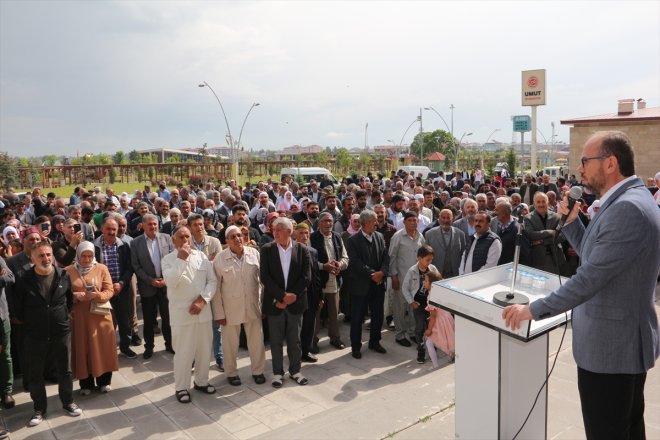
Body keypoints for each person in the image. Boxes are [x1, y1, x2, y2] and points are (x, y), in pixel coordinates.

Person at [503, 131, 660, 440]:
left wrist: (532, 309)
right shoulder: (630, 200)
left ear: (611, 163)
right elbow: (598, 259)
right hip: (620, 344)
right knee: (627, 429)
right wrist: (574, 222)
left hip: (611, 349)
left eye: (587, 161)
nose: (581, 168)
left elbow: (589, 278)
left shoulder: (626, 209)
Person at [15, 242, 82, 426]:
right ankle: (39, 409)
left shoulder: (63, 275)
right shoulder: (23, 278)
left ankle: (68, 402)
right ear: (32, 258)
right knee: (36, 374)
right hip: (35, 334)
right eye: (41, 256)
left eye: (48, 254)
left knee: (65, 371)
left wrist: (60, 318)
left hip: (60, 331)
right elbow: (18, 309)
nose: (45, 258)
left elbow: (68, 301)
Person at [161, 225, 217, 403]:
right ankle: (182, 387)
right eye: (181, 237)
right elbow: (170, 281)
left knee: (204, 351)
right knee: (184, 353)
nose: (185, 240)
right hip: (182, 316)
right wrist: (181, 260)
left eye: (187, 237)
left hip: (203, 313)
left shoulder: (201, 257)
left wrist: (203, 300)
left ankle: (201, 381)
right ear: (173, 241)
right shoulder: (168, 260)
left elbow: (212, 281)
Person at [260, 217, 311, 388]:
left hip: (295, 303)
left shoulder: (302, 249)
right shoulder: (267, 249)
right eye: (274, 229)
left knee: (294, 339)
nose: (275, 232)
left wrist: (291, 296)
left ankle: (295, 370)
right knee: (275, 341)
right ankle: (277, 373)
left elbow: (306, 277)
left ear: (290, 232)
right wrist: (281, 297)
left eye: (279, 229)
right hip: (275, 303)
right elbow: (265, 277)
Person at [212, 226, 266, 386]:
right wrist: (219, 314)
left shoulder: (254, 253)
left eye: (240, 235)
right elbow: (216, 289)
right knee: (230, 344)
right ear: (227, 241)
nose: (237, 238)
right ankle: (231, 373)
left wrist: (262, 305)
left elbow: (262, 281)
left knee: (257, 342)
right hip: (230, 309)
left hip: (252, 305)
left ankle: (258, 371)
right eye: (233, 236)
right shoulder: (220, 259)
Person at [66, 241, 119, 395]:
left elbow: (109, 290)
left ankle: (104, 382)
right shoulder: (68, 271)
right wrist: (76, 296)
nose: (87, 259)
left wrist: (98, 295)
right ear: (78, 255)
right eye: (84, 256)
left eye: (90, 256)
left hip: (100, 316)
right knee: (84, 348)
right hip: (80, 318)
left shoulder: (101, 268)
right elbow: (63, 294)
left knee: (102, 348)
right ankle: (86, 384)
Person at [346, 210, 389, 359]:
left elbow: (385, 257)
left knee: (378, 316)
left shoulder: (379, 236)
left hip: (377, 284)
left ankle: (374, 342)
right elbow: (356, 263)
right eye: (374, 221)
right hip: (361, 286)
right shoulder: (353, 240)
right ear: (366, 223)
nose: (377, 223)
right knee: (357, 318)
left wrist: (382, 273)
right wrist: (373, 274)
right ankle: (356, 346)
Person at [130, 214, 174, 359]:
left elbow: (173, 260)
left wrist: (165, 279)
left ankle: (170, 343)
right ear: (143, 226)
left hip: (165, 285)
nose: (153, 227)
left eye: (155, 224)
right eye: (150, 224)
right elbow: (136, 266)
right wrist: (150, 280)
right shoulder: (136, 243)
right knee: (149, 319)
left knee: (167, 318)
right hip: (148, 287)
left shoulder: (167, 238)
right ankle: (149, 346)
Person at [93, 216, 136, 359]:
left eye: (114, 229)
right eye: (108, 229)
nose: (111, 232)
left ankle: (125, 346)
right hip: (103, 291)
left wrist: (122, 283)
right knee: (104, 322)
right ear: (102, 229)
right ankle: (107, 349)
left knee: (124, 320)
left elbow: (129, 268)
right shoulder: (94, 246)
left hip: (121, 289)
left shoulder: (124, 245)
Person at [309, 212, 349, 352]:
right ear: (319, 223)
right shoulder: (312, 238)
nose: (328, 224)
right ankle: (312, 340)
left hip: (335, 281)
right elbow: (310, 261)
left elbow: (345, 257)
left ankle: (335, 337)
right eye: (325, 221)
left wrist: (340, 265)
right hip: (319, 282)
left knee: (334, 312)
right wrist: (323, 266)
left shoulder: (337, 237)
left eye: (331, 221)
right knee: (316, 314)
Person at [389, 211, 425, 347]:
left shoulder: (420, 236)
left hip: (416, 280)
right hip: (401, 278)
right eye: (409, 220)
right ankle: (400, 334)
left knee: (414, 307)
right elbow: (391, 257)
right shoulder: (398, 237)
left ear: (418, 221)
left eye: (414, 220)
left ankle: (412, 333)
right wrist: (393, 276)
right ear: (404, 222)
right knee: (400, 307)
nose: (412, 223)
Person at [401, 245, 437, 364]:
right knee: (420, 328)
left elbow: (439, 282)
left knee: (431, 326)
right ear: (419, 258)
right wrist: (411, 302)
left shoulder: (432, 269)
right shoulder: (412, 271)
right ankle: (421, 351)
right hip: (419, 305)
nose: (429, 262)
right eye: (427, 260)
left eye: (431, 259)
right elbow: (405, 288)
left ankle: (432, 347)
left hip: (430, 304)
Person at [524, 192, 567, 275]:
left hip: (555, 257)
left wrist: (542, 241)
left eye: (543, 201)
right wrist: (550, 232)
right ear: (534, 203)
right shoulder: (528, 218)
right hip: (537, 258)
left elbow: (562, 236)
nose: (541, 204)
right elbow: (531, 234)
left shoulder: (557, 217)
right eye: (538, 202)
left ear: (547, 202)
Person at [424, 271, 455, 367]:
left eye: (425, 280)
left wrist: (429, 330)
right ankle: (450, 357)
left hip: (440, 321)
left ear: (432, 283)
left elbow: (433, 315)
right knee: (448, 340)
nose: (424, 282)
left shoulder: (432, 296)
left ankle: (435, 365)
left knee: (429, 342)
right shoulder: (438, 292)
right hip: (447, 318)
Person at [424, 209, 465, 279]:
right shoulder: (429, 234)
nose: (446, 220)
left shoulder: (460, 234)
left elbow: (463, 254)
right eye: (443, 218)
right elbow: (426, 255)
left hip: (455, 274)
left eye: (448, 218)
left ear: (453, 219)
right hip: (436, 274)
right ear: (439, 219)